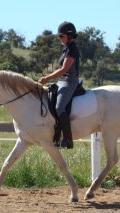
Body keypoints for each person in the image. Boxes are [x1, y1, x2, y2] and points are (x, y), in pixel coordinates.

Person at [38, 21, 80, 149]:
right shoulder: (66, 48)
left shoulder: (72, 49)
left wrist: (47, 78)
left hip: (70, 82)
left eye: (61, 36)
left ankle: (68, 139)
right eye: (59, 36)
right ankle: (56, 132)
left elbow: (64, 69)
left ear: (70, 35)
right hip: (61, 81)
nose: (59, 38)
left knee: (59, 107)